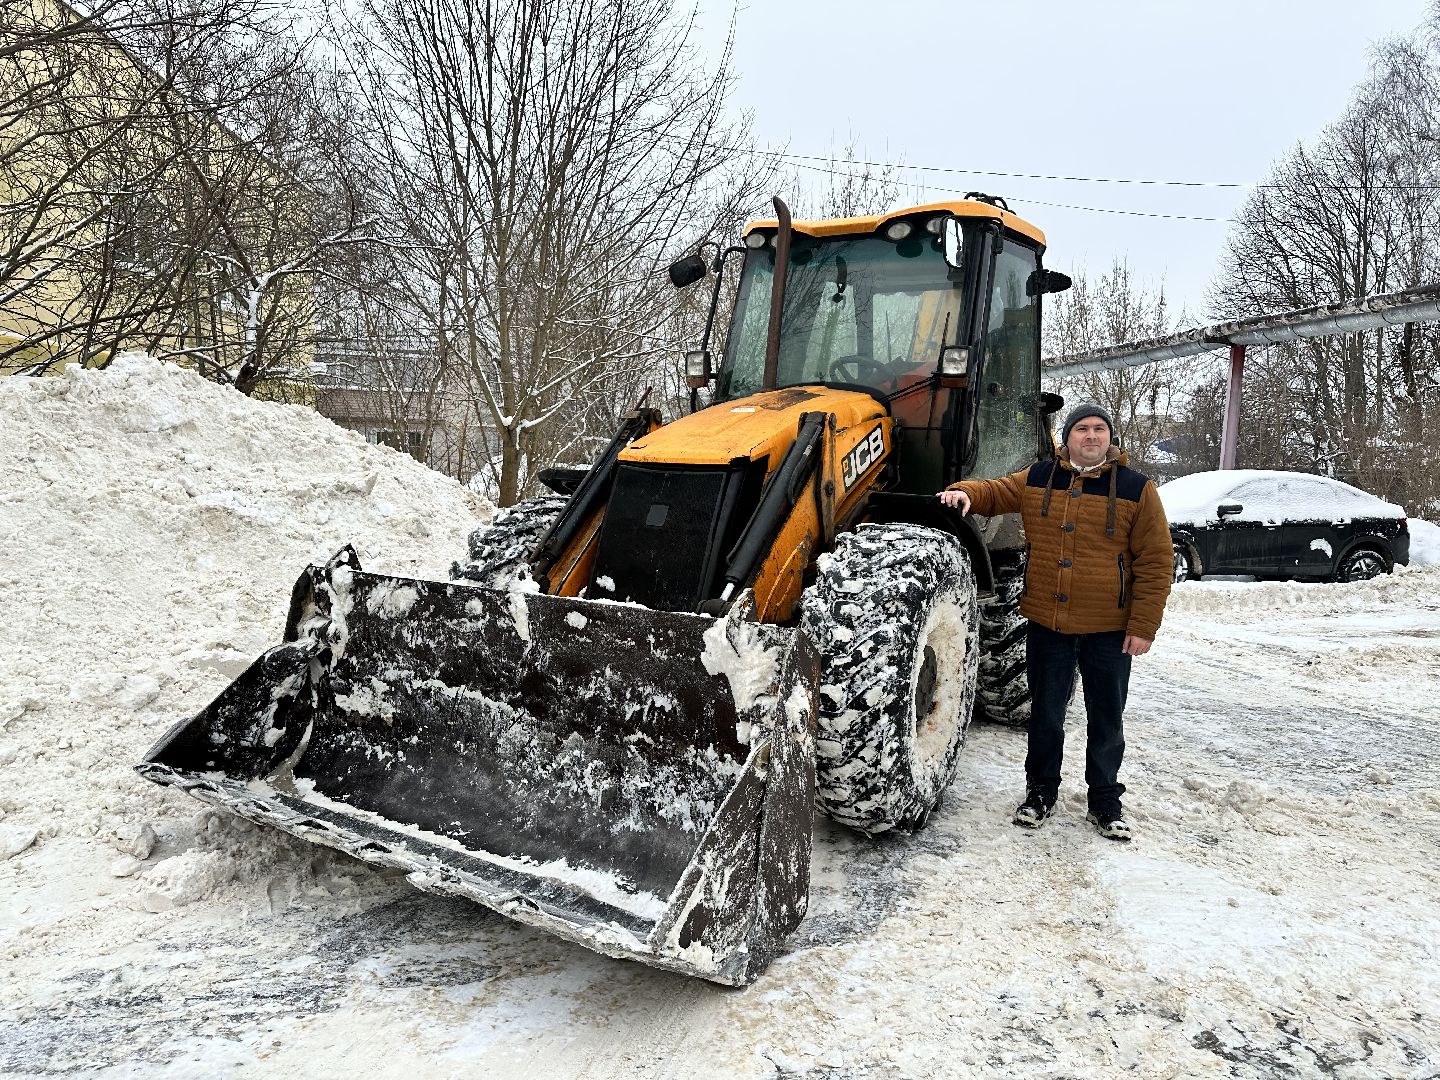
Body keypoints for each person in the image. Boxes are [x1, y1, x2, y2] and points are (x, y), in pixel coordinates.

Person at [937, 404, 1172, 841]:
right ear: (1067, 438)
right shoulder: (1040, 477)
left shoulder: (1137, 489)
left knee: (1107, 720)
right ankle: (1040, 792)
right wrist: (964, 491)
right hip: (1050, 624)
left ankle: (1105, 801)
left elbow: (1157, 562)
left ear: (1110, 437)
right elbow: (995, 491)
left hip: (1109, 629)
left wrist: (1143, 626)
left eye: (1099, 429)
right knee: (1045, 716)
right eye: (1082, 428)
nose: (1091, 436)